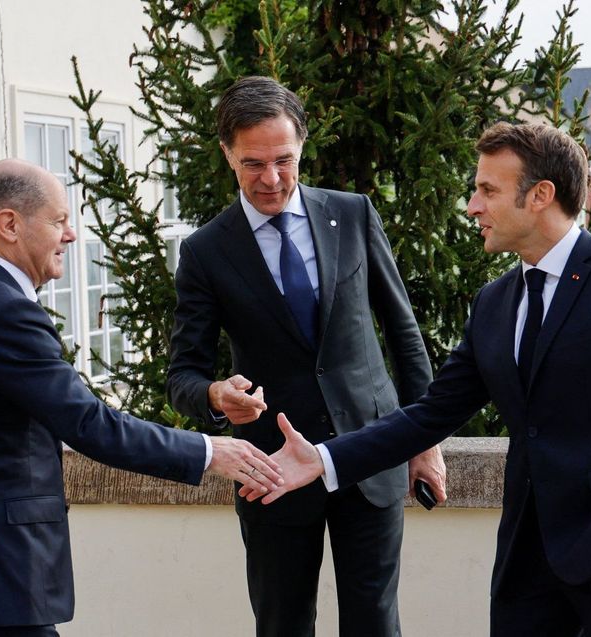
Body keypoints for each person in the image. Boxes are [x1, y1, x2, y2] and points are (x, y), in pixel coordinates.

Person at [256, 122, 591, 637]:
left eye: (487, 190)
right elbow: (431, 414)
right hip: (523, 564)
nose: (473, 205)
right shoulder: (494, 303)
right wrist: (322, 460)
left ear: (541, 195)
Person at [0, 159, 282, 637]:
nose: (71, 235)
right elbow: (89, 424)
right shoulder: (6, 313)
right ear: (10, 225)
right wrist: (208, 451)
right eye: (59, 220)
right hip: (4, 568)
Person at [165, 75, 443, 636]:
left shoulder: (355, 214)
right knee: (283, 624)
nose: (271, 179)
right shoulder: (204, 252)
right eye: (253, 164)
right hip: (271, 471)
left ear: (302, 147)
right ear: (227, 155)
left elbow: (403, 332)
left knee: (376, 623)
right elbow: (183, 375)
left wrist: (425, 443)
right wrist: (217, 397)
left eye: (283, 160)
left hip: (370, 454)